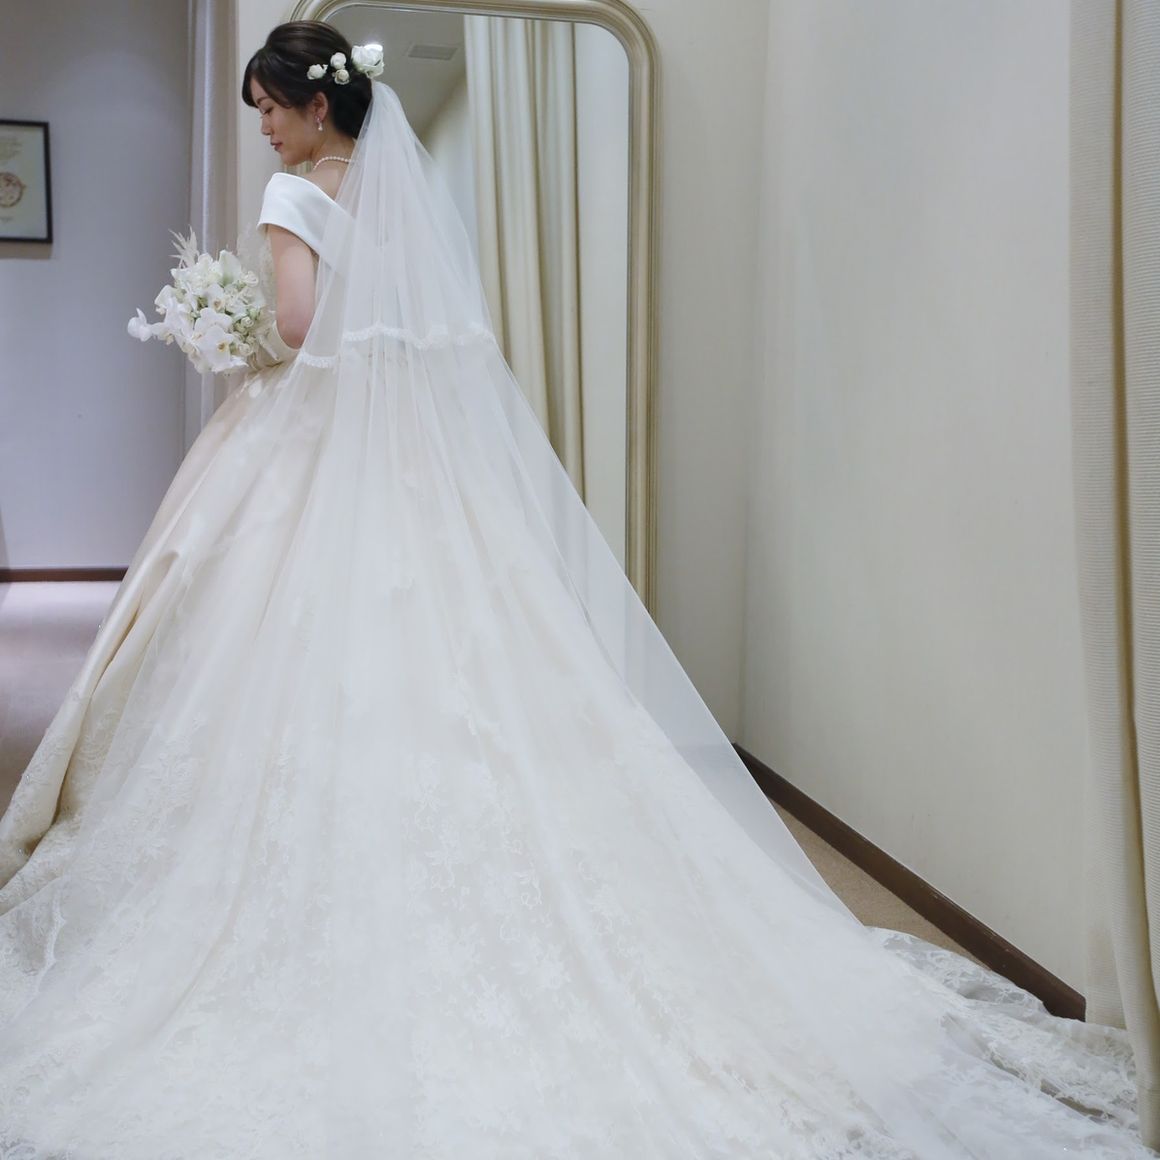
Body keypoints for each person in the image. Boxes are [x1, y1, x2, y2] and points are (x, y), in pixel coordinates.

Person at [0, 19, 1151, 1159]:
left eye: (266, 106)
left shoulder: (294, 197)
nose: (261, 126)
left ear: (312, 106)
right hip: (412, 463)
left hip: (313, 447)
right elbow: (422, 328)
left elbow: (302, 329)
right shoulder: (399, 191)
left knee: (287, 654)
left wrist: (245, 337)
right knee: (456, 654)